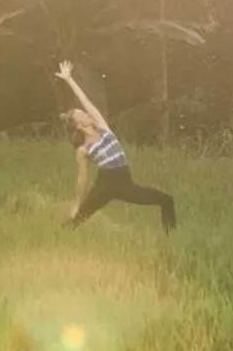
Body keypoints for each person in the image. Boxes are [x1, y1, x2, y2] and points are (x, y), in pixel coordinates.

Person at [54, 63, 176, 231]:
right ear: (77, 126)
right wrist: (76, 204)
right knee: (76, 221)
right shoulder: (83, 149)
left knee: (166, 200)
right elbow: (82, 179)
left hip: (125, 183)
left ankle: (170, 238)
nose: (85, 112)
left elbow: (86, 100)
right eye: (80, 114)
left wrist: (69, 79)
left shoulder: (102, 126)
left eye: (82, 111)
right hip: (104, 185)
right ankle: (59, 237)